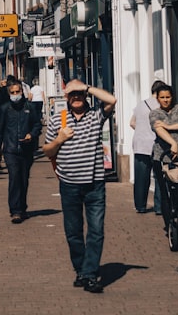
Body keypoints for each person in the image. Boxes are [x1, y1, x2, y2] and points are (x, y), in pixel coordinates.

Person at [42, 78, 117, 294]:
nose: (76, 98)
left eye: (80, 94)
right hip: (69, 184)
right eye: (72, 95)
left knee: (96, 231)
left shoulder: (95, 115)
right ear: (66, 98)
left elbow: (112, 100)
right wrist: (59, 139)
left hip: (94, 184)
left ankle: (90, 274)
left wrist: (85, 87)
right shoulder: (59, 120)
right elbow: (47, 151)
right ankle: (81, 269)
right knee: (73, 232)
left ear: (85, 96)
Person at [0, 81, 42, 222]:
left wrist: (32, 134)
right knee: (14, 178)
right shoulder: (5, 109)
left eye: (17, 92)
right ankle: (15, 210)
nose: (15, 95)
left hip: (26, 150)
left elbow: (37, 125)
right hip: (10, 150)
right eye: (12, 93)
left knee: (23, 179)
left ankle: (23, 208)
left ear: (22, 92)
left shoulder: (29, 107)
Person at [149, 83, 178, 232]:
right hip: (162, 158)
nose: (165, 100)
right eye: (162, 97)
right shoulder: (155, 113)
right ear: (157, 98)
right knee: (166, 192)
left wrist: (169, 127)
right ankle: (170, 225)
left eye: (168, 97)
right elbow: (158, 128)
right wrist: (172, 143)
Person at [129, 79, 167, 215]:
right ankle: (159, 207)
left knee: (141, 177)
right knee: (159, 177)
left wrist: (141, 130)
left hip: (140, 144)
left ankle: (140, 206)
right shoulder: (162, 106)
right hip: (157, 144)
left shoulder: (140, 105)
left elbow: (132, 123)